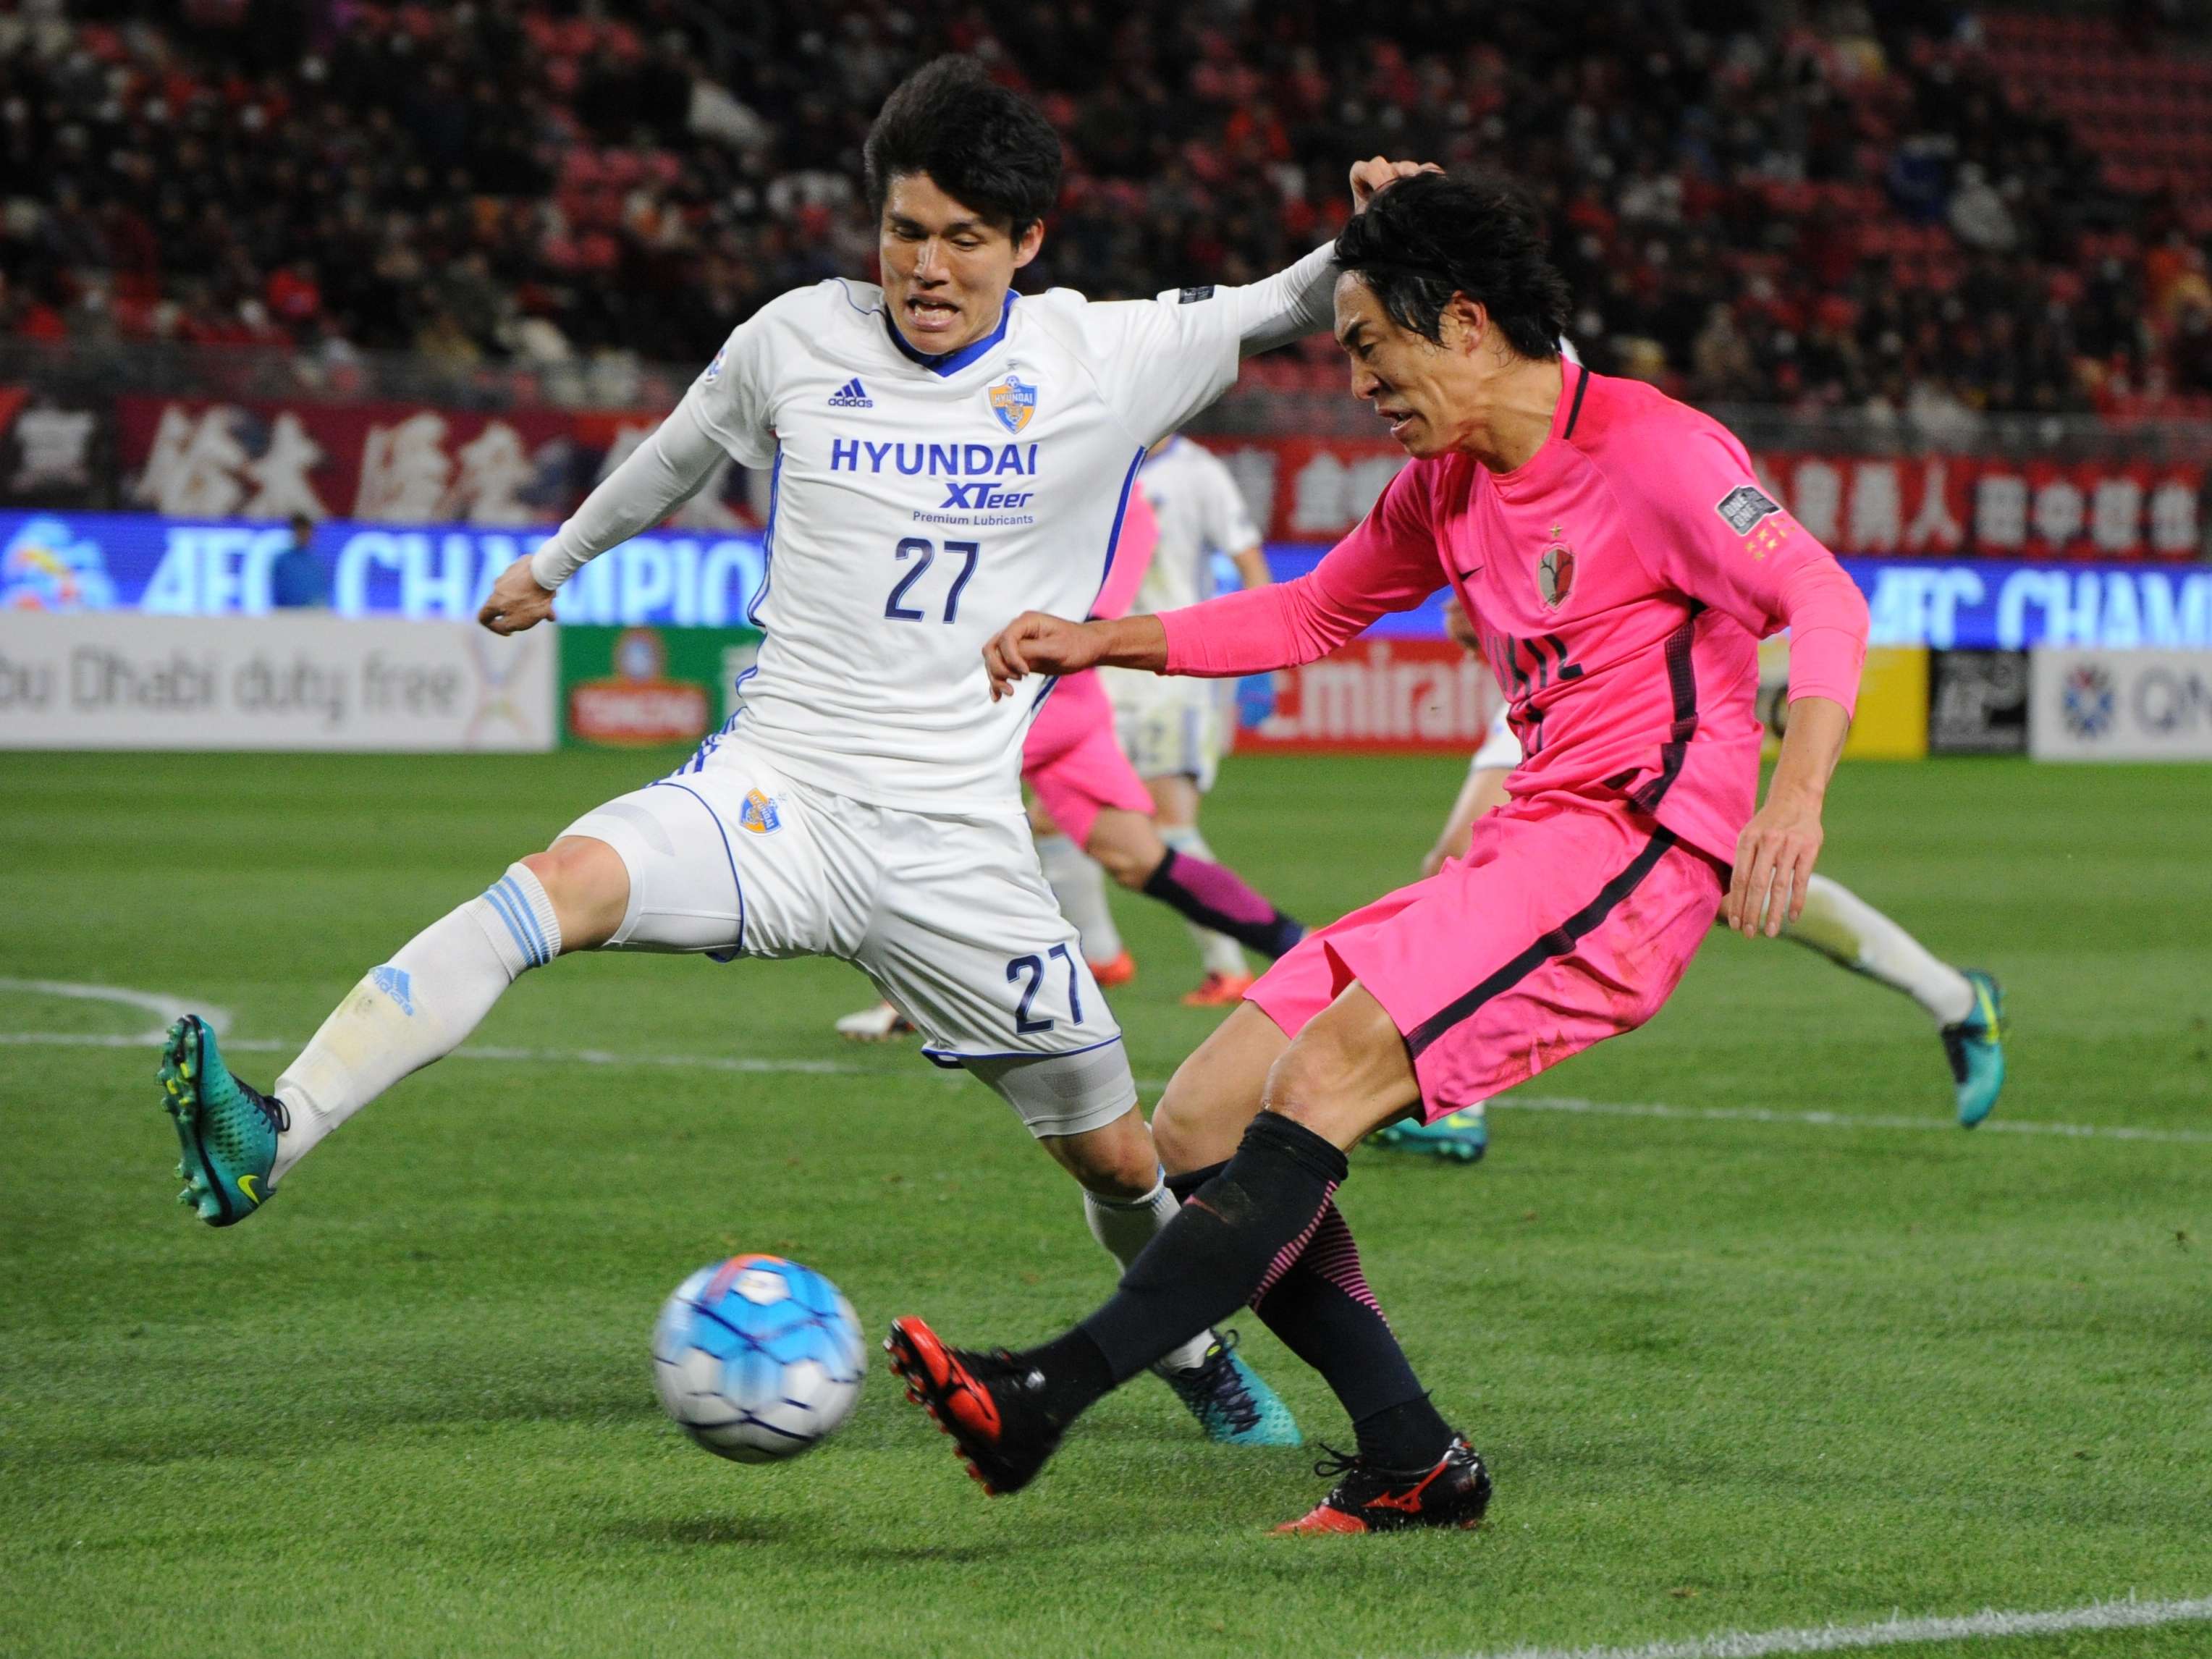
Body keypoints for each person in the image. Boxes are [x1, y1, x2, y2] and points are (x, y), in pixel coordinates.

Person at [159, 56, 1422, 1447]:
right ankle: (271, 1134)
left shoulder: (1100, 356)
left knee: (1120, 1157)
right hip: (776, 789)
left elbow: (1286, 303)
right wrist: (555, 564)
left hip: (957, 846)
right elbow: (678, 450)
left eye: (960, 239)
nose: (924, 267)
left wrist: (1379, 224)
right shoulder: (797, 338)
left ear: (1026, 245)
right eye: (902, 230)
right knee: (550, 886)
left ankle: (1191, 1356)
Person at [883, 169, 1870, 1531]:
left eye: (1367, 346)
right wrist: (1097, 636)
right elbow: (1310, 614)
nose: (1357, 382)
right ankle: (1410, 1450)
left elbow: (1818, 595)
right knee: (1199, 1125)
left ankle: (1043, 1394)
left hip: (1637, 855)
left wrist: (1796, 791)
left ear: (1463, 324)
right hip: (1528, 846)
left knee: (1326, 1068)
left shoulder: (1654, 450)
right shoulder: (1444, 489)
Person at [1377, 612, 2007, 1165]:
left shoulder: (1657, 484)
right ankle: (1956, 998)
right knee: (1717, 886)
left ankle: (1455, 1097)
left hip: (1627, 680)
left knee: (1715, 880)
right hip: (1563, 673)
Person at [835, 488, 1304, 1040]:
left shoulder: (1122, 504)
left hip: (1028, 694)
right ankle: (1300, 946)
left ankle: (908, 1001)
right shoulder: (1061, 481)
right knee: (1136, 856)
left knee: (916, 813)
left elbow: (1095, 614)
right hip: (1065, 702)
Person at [1097, 432, 1279, 1006]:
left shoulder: (1197, 472)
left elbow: (1251, 563)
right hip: (1097, 669)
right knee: (1051, 821)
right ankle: (1102, 957)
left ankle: (1229, 966)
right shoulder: (1096, 452)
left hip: (1170, 675)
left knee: (1169, 825)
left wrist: (1262, 655)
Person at [268, 512, 327, 609]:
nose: (304, 536)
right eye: (301, 532)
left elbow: (320, 592)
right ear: (294, 533)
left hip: (314, 615)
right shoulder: (282, 561)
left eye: (307, 532)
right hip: (288, 614)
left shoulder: (316, 562)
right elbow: (275, 590)